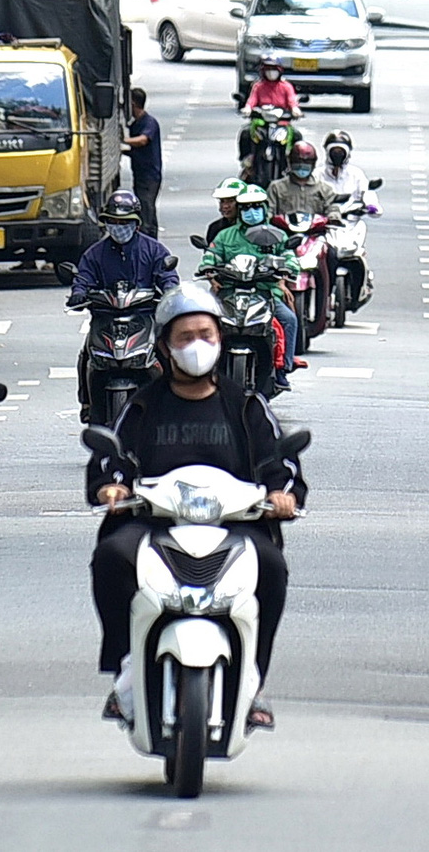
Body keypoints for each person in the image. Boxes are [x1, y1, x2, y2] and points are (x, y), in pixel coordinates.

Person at [88, 284, 305, 732]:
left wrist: (283, 495)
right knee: (111, 557)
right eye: (184, 338)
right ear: (164, 348)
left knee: (272, 568)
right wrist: (112, 488)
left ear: (221, 340)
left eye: (205, 335)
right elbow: (111, 460)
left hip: (236, 527)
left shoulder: (245, 406)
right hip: (154, 526)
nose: (196, 347)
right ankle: (126, 666)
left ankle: (254, 679)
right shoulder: (143, 405)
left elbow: (279, 464)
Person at [68, 191, 180, 421]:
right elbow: (82, 279)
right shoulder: (94, 254)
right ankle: (88, 403)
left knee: (169, 352)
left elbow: (168, 276)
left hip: (144, 317)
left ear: (136, 223)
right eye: (114, 222)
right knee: (86, 356)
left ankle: (175, 400)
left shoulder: (153, 250)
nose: (119, 227)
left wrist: (169, 291)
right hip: (105, 320)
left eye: (125, 222)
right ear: (106, 223)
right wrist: (78, 294)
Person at [199, 185, 302, 391]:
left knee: (288, 320)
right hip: (229, 292)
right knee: (203, 323)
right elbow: (211, 255)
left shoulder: (276, 235)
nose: (251, 212)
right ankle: (202, 367)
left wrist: (286, 269)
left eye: (256, 207)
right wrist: (209, 269)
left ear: (264, 208)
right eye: (246, 207)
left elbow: (290, 257)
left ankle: (282, 369)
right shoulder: (225, 235)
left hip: (265, 293)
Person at [123, 88, 164, 238]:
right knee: (146, 209)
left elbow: (143, 140)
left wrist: (122, 140)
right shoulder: (136, 124)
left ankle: (149, 240)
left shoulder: (149, 122)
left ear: (133, 103)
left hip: (149, 176)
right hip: (140, 174)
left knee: (146, 210)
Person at [269, 141, 338, 224]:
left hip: (316, 232)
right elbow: (269, 210)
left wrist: (334, 217)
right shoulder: (276, 187)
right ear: (290, 163)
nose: (302, 166)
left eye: (307, 163)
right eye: (297, 162)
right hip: (285, 231)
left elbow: (332, 208)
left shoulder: (325, 189)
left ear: (313, 164)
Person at [320, 131, 375, 210]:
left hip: (351, 219)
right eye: (334, 152)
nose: (337, 155)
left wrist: (371, 205)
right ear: (328, 152)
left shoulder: (356, 174)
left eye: (341, 152)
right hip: (322, 219)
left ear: (347, 153)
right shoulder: (316, 175)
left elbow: (365, 192)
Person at [207, 178, 246, 245]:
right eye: (222, 201)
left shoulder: (256, 228)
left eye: (231, 201)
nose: (225, 206)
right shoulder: (215, 228)